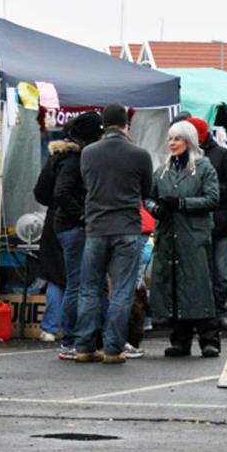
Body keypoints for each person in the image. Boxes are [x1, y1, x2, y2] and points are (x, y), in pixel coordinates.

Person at [76, 103, 154, 364]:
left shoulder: (88, 153)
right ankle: (113, 348)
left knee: (88, 289)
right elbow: (147, 191)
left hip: (96, 227)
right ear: (126, 125)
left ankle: (84, 346)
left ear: (103, 124)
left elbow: (87, 184)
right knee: (121, 291)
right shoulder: (140, 155)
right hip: (126, 228)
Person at [149, 120, 223, 358]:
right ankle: (180, 340)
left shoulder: (204, 168)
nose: (172, 143)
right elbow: (148, 198)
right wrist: (155, 209)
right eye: (170, 139)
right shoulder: (162, 171)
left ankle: (209, 339)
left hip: (194, 236)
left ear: (188, 141)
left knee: (199, 286)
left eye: (177, 139)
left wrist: (182, 204)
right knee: (173, 286)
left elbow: (213, 198)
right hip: (169, 237)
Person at [33, 111, 102, 361]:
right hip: (72, 222)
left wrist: (59, 205)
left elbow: (40, 193)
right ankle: (70, 336)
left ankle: (51, 329)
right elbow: (63, 191)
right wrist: (79, 212)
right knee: (75, 281)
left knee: (56, 276)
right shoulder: (75, 159)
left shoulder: (55, 156)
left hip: (55, 221)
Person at [190, 117, 227, 331]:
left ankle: (218, 312)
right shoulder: (188, 155)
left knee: (220, 274)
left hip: (220, 223)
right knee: (200, 272)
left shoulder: (222, 155)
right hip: (199, 223)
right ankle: (202, 315)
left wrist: (211, 194)